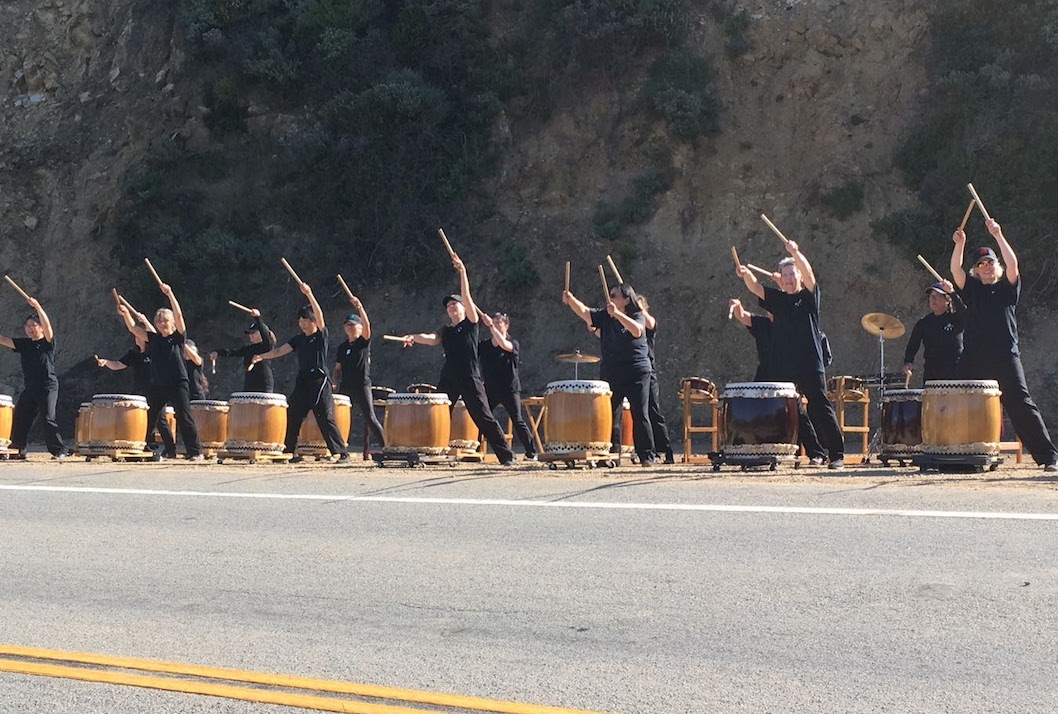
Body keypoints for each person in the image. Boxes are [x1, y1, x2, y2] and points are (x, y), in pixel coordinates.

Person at [950, 220, 1058, 470]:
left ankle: (1048, 456)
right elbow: (956, 270)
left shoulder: (1007, 288)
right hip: (974, 357)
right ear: (976, 270)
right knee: (960, 401)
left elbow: (1013, 264)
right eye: (981, 264)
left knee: (1021, 404)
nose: (987, 267)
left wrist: (998, 235)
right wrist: (960, 244)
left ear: (996, 267)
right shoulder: (973, 289)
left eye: (991, 262)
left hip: (1005, 357)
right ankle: (962, 455)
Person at [397, 254, 516, 466]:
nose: (452, 307)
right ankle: (432, 452)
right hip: (449, 377)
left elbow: (466, 295)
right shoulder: (446, 330)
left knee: (483, 417)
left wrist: (462, 271)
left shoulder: (471, 324)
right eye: (449, 305)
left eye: (455, 304)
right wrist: (413, 337)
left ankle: (506, 456)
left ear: (463, 308)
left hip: (470, 376)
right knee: (438, 412)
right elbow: (432, 339)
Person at [738, 241, 845, 469]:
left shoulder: (808, 297)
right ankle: (815, 453)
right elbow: (756, 288)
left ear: (798, 276)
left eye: (792, 274)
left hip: (810, 361)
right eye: (785, 275)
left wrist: (795, 253)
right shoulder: (777, 299)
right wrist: (745, 274)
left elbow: (810, 276)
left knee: (819, 406)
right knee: (792, 406)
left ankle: (836, 454)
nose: (788, 279)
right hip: (785, 364)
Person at [250, 281, 349, 463]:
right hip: (303, 380)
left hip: (319, 379)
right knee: (293, 413)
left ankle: (341, 452)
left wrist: (309, 294)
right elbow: (280, 351)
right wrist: (262, 356)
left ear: (312, 322)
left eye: (306, 321)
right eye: (300, 321)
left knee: (324, 415)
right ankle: (290, 452)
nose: (302, 324)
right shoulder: (299, 339)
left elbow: (320, 315)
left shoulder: (320, 335)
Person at [562, 282, 656, 466]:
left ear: (626, 299)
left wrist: (618, 314)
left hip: (636, 370)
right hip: (612, 370)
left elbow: (637, 331)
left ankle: (647, 455)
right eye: (610, 295)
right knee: (610, 414)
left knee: (640, 413)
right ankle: (612, 454)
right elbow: (585, 312)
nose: (610, 298)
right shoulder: (606, 316)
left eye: (614, 296)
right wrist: (571, 300)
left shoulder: (636, 314)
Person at [729, 297, 827, 465]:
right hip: (765, 374)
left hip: (787, 377)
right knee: (751, 406)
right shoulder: (762, 324)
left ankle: (816, 453)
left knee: (797, 413)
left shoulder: (793, 327)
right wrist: (737, 306)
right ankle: (750, 450)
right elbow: (743, 316)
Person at [117, 283, 203, 460]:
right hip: (159, 383)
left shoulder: (178, 338)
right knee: (150, 416)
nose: (163, 323)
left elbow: (178, 314)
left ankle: (195, 452)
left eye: (166, 320)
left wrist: (170, 294)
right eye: (159, 321)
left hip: (178, 382)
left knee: (184, 417)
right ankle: (139, 448)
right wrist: (126, 314)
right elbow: (133, 328)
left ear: (172, 323)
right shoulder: (154, 339)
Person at [0, 299, 69, 459]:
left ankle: (59, 450)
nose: (30, 329)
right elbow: (4, 340)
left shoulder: (47, 343)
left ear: (40, 328)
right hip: (30, 387)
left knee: (47, 418)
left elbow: (48, 327)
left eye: (33, 325)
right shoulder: (24, 344)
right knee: (21, 417)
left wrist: (38, 307)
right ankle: (18, 449)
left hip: (47, 386)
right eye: (27, 326)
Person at [477, 311, 537, 461]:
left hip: (510, 389)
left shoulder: (513, 344)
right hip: (490, 389)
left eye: (499, 323)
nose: (496, 325)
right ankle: (476, 450)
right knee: (481, 417)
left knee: (517, 419)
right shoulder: (484, 346)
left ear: (506, 326)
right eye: (494, 322)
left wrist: (491, 326)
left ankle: (531, 452)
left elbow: (503, 344)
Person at [333, 294, 385, 453]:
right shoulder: (342, 347)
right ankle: (339, 448)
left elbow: (368, 326)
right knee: (338, 416)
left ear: (360, 327)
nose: (350, 327)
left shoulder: (363, 342)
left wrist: (360, 307)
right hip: (346, 385)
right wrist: (335, 381)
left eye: (353, 325)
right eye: (347, 325)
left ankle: (386, 446)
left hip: (362, 384)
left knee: (370, 417)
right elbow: (337, 368)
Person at [902, 281, 965, 384]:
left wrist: (952, 293)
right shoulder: (924, 323)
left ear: (947, 300)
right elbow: (912, 345)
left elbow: (964, 311)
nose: (933, 299)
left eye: (938, 296)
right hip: (932, 374)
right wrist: (908, 362)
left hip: (955, 372)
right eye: (931, 296)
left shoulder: (956, 319)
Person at [635, 295, 673, 463]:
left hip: (649, 371)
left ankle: (666, 450)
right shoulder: (633, 323)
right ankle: (647, 450)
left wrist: (639, 308)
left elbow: (651, 322)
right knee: (641, 412)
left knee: (653, 410)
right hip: (635, 371)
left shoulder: (647, 323)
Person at [210, 310, 276, 393]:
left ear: (260, 333)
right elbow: (233, 352)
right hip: (249, 384)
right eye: (249, 333)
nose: (250, 335)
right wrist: (218, 352)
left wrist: (258, 318)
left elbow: (265, 334)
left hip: (264, 384)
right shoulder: (249, 348)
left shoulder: (267, 347)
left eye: (253, 333)